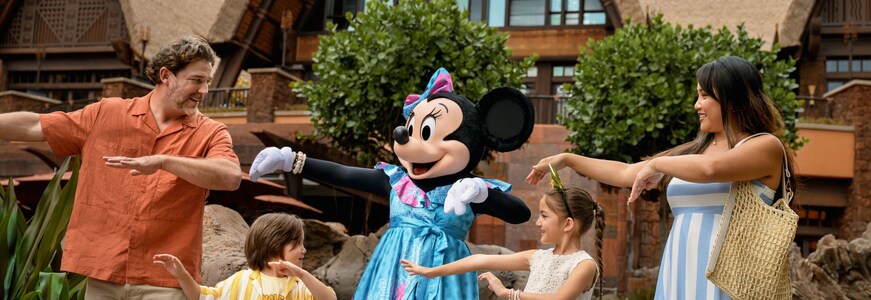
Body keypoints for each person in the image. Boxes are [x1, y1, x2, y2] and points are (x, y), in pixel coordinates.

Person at [526, 56, 798, 300]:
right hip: (679, 270)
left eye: (704, 96)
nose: (697, 105)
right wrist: (567, 160)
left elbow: (711, 170)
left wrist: (658, 164)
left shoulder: (765, 146)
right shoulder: (694, 151)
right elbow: (625, 173)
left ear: (731, 98)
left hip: (733, 278)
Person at [248, 68, 533, 299]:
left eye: (426, 133)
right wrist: (292, 160)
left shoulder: (468, 189)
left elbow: (520, 213)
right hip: (392, 274)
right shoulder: (397, 181)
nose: (410, 142)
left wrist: (482, 193)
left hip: (444, 279)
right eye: (412, 130)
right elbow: (344, 174)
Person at [0, 35, 242, 298]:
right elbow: (36, 125)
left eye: (207, 82)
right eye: (196, 80)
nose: (204, 91)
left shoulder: (211, 132)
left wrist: (164, 162)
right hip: (104, 273)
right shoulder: (107, 113)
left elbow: (230, 176)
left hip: (166, 282)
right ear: (166, 75)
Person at [401, 177, 605, 300]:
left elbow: (558, 299)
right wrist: (431, 272)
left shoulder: (584, 265)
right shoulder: (537, 257)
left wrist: (507, 293)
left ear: (568, 224)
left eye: (544, 216)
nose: (538, 223)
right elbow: (479, 260)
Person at [153, 213, 336, 300]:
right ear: (273, 245)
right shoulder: (240, 281)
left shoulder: (301, 286)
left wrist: (302, 275)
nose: (303, 250)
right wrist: (182, 275)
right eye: (296, 244)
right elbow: (202, 296)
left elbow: (329, 299)